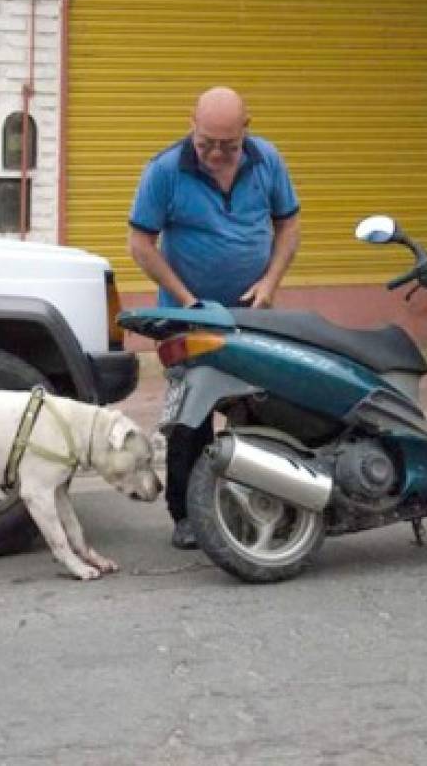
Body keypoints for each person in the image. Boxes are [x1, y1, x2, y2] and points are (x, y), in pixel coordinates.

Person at [127, 86, 300, 549]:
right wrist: (185, 300)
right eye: (206, 143)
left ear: (247, 128)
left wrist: (270, 283)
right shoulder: (165, 170)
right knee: (191, 416)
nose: (216, 154)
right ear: (192, 124)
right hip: (189, 316)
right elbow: (140, 243)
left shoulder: (267, 161)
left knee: (259, 408)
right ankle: (186, 515)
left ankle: (263, 504)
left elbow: (289, 224)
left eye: (228, 145)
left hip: (252, 312)